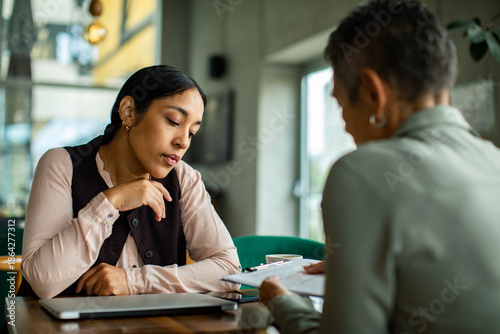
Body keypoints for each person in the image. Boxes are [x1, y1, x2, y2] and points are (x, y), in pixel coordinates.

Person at [259, 1, 500, 333]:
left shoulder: (360, 172)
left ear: (374, 94)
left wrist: (283, 301)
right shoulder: (493, 160)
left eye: (340, 103)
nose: (344, 125)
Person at [20, 65, 241, 299]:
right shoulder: (63, 164)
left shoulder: (184, 178)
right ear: (128, 112)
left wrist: (134, 281)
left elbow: (228, 269)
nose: (183, 142)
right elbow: (42, 282)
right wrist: (109, 203)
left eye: (192, 133)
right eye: (174, 121)